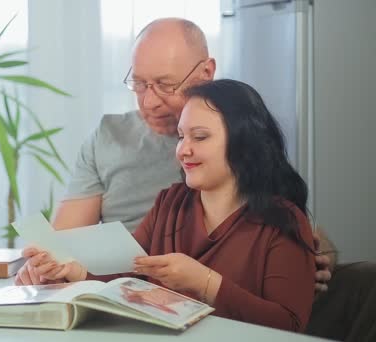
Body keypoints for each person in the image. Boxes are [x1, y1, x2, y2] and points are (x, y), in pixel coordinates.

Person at [42, 17, 333, 291]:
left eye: (167, 85)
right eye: (139, 84)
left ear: (206, 72)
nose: (150, 101)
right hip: (127, 287)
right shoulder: (109, 137)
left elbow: (293, 221)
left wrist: (313, 258)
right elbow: (64, 243)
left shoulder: (238, 136)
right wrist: (53, 266)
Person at [18, 79, 317, 332]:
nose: (184, 150)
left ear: (245, 142)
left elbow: (289, 325)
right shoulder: (170, 203)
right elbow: (127, 276)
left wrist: (206, 283)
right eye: (181, 136)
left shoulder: (282, 220)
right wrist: (71, 271)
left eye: (199, 137)